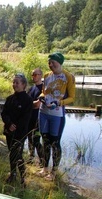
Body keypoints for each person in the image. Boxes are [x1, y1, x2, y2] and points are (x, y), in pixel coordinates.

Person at [37, 52, 75, 181]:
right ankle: (45, 168)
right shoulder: (47, 76)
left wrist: (60, 102)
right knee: (45, 140)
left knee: (55, 142)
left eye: (53, 62)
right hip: (43, 112)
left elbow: (72, 97)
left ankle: (53, 172)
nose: (50, 64)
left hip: (57, 114)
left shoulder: (68, 77)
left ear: (60, 62)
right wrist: (41, 97)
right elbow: (44, 92)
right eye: (49, 62)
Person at [1, 74, 33, 184]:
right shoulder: (9, 99)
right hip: (9, 130)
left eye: (17, 83)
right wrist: (9, 123)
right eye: (13, 82)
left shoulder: (28, 100)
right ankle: (13, 174)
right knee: (11, 153)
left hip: (20, 132)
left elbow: (26, 117)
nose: (14, 85)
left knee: (17, 154)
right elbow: (4, 113)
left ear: (23, 85)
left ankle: (23, 176)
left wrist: (15, 126)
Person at [26, 68, 44, 165]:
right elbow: (26, 101)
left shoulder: (43, 88)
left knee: (36, 140)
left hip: (38, 118)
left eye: (36, 75)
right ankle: (31, 157)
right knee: (29, 138)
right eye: (32, 75)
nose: (34, 77)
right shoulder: (31, 88)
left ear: (41, 75)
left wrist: (28, 103)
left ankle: (42, 161)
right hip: (29, 117)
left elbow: (38, 104)